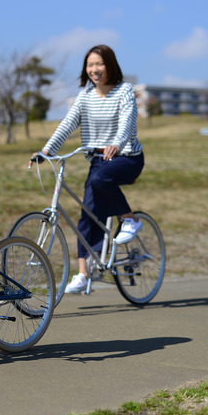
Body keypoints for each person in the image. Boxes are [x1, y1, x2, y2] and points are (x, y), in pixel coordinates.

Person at [30, 44, 144, 294]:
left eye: (99, 64)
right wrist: (46, 151)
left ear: (110, 65)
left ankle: (130, 219)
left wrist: (116, 143)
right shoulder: (85, 95)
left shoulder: (124, 90)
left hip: (127, 157)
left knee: (100, 180)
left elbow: (127, 121)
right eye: (90, 65)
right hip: (98, 160)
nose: (94, 69)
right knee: (87, 215)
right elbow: (68, 123)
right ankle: (83, 273)